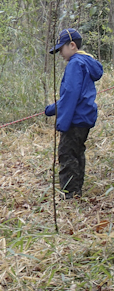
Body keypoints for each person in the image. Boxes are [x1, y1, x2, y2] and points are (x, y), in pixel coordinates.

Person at [45, 28, 103, 199]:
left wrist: (60, 120)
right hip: (84, 118)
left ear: (72, 45)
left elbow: (70, 95)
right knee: (77, 153)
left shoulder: (75, 64)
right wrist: (54, 108)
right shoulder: (85, 63)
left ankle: (70, 195)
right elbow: (76, 94)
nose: (60, 53)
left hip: (75, 119)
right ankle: (76, 192)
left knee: (67, 154)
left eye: (61, 48)